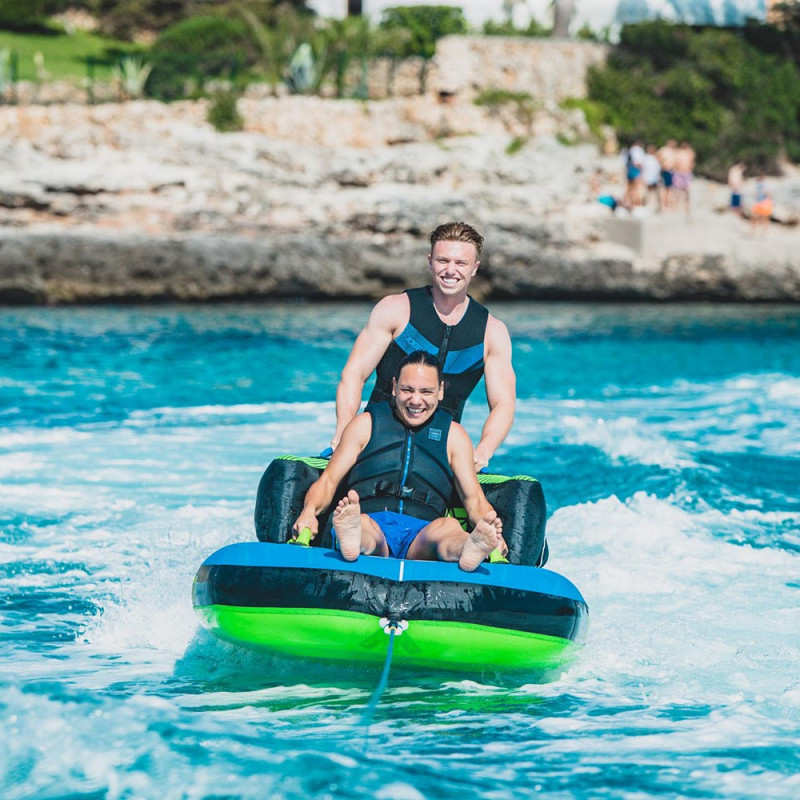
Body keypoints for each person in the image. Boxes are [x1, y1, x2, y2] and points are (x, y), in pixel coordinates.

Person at [293, 351, 506, 572]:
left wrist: (490, 530)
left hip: (423, 534)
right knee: (363, 526)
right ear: (394, 387)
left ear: (441, 391)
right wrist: (309, 512)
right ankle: (353, 540)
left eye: (426, 391)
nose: (416, 400)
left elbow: (474, 499)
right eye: (407, 390)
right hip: (372, 520)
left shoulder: (454, 436)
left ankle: (468, 548)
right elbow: (328, 481)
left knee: (449, 528)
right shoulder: (365, 425)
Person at [331, 221, 515, 472]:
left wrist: (483, 451)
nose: (450, 270)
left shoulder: (492, 332)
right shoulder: (396, 309)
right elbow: (354, 374)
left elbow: (504, 403)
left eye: (460, 263)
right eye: (443, 261)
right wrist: (344, 433)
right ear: (430, 262)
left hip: (438, 453)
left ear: (474, 268)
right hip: (375, 441)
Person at [672, 141, 696, 216]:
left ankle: (687, 207)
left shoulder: (690, 153)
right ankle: (676, 206)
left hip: (687, 172)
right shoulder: (678, 152)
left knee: (687, 191)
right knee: (677, 190)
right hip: (679, 172)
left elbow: (693, 161)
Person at [657, 138, 678, 210]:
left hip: (671, 171)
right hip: (665, 170)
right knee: (664, 188)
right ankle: (663, 204)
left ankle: (667, 204)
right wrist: (662, 164)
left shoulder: (673, 151)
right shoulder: (663, 150)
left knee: (669, 188)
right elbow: (658, 157)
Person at [642, 144, 662, 212]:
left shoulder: (655, 158)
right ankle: (648, 205)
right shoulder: (646, 158)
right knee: (648, 192)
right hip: (648, 178)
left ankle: (654, 206)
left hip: (654, 178)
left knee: (655, 193)